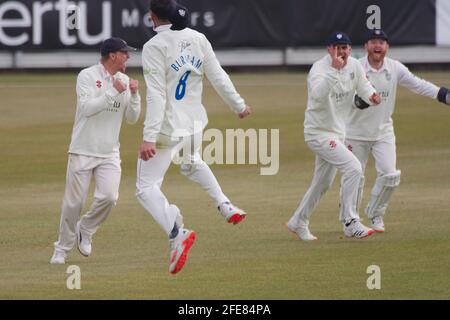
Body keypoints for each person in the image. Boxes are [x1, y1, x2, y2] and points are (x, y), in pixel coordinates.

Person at [137, 0, 252, 275]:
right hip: (194, 124)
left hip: (168, 127)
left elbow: (155, 95)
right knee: (191, 162)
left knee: (145, 188)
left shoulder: (153, 47)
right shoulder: (198, 38)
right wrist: (238, 105)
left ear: (152, 18)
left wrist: (149, 137)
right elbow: (219, 77)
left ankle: (177, 232)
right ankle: (224, 204)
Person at [343, 29, 450, 233]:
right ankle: (349, 220)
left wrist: (443, 95)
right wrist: (356, 101)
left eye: (381, 42)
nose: (377, 46)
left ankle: (375, 213)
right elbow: (340, 92)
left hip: (383, 131)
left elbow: (418, 84)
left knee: (390, 175)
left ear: (387, 47)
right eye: (373, 42)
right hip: (355, 132)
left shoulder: (394, 67)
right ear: (366, 46)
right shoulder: (355, 67)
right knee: (353, 176)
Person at [50, 37, 141, 264]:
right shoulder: (87, 76)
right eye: (124, 53)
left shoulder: (124, 79)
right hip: (82, 149)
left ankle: (87, 228)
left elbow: (131, 118)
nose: (128, 57)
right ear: (112, 55)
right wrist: (112, 91)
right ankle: (61, 249)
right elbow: (87, 108)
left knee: (109, 197)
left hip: (109, 152)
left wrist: (136, 95)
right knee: (73, 204)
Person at [286, 32, 381, 241]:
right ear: (329, 49)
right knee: (354, 168)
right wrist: (334, 72)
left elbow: (363, 86)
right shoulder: (318, 70)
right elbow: (318, 97)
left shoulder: (354, 65)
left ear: (349, 49)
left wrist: (372, 96)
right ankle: (350, 222)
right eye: (337, 47)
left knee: (323, 183)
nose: (342, 51)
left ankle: (298, 221)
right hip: (317, 133)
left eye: (345, 47)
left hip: (337, 132)